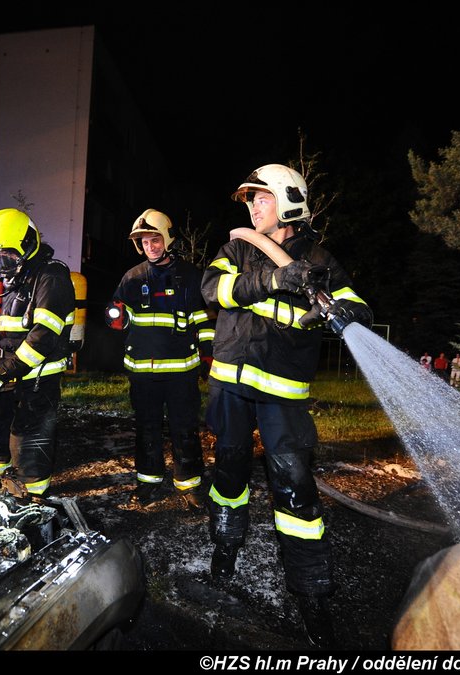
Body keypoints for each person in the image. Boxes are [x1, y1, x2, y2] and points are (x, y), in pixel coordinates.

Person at [201, 164, 372, 648]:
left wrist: (344, 312)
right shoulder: (236, 247)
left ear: (289, 202)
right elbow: (213, 291)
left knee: (295, 489)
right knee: (229, 477)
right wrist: (275, 278)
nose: (253, 207)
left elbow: (357, 306)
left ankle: (311, 592)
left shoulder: (320, 260)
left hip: (283, 394)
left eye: (262, 198)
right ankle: (225, 550)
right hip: (230, 387)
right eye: (250, 200)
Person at [106, 209, 214, 510]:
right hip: (142, 372)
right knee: (146, 428)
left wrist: (207, 355)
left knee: (185, 428)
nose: (150, 247)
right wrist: (116, 316)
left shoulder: (192, 276)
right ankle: (148, 483)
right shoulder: (132, 277)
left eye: (155, 240)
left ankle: (190, 484)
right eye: (144, 242)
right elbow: (120, 316)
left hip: (181, 371)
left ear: (167, 240)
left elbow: (203, 320)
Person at [0, 208, 75, 498]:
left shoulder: (51, 277)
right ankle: (1, 481)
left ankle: (34, 497)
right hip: (5, 372)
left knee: (28, 441)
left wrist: (1, 374)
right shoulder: (13, 278)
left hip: (38, 376)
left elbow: (42, 338)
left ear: (25, 245)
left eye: (3, 254)